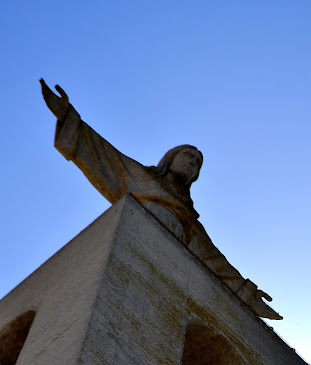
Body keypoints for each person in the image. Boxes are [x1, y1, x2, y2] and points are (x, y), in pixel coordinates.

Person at [40, 80, 282, 320]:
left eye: (198, 163)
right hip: (131, 244)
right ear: (171, 158)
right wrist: (68, 116)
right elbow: (102, 153)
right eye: (188, 156)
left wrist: (248, 295)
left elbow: (213, 260)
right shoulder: (140, 176)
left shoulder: (188, 218)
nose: (193, 163)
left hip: (167, 268)